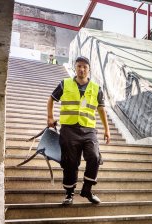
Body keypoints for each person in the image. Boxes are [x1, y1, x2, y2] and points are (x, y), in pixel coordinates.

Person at [47, 56, 111, 205]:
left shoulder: (96, 88)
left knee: (94, 157)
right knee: (70, 162)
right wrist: (50, 118)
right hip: (69, 129)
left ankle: (87, 189)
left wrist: (107, 130)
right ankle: (69, 193)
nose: (82, 69)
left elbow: (101, 109)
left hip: (89, 129)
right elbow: (51, 99)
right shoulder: (65, 84)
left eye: (85, 67)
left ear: (89, 70)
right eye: (79, 66)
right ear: (75, 68)